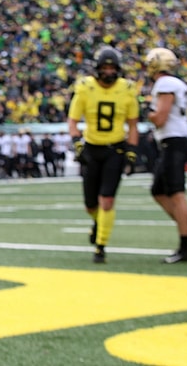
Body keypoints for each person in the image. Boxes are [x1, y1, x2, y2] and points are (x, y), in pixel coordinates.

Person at [67, 46, 140, 263]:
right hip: (91, 148)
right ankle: (99, 223)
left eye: (112, 68)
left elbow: (133, 124)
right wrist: (76, 142)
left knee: (107, 200)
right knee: (91, 205)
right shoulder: (84, 87)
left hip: (115, 149)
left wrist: (132, 151)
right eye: (105, 68)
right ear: (98, 69)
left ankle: (100, 246)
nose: (109, 72)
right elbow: (73, 121)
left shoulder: (127, 89)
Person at [145, 47, 187, 264]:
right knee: (158, 191)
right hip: (174, 141)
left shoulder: (165, 84)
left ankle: (186, 246)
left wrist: (145, 112)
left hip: (174, 142)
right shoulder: (176, 83)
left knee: (176, 193)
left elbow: (160, 119)